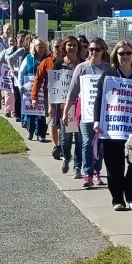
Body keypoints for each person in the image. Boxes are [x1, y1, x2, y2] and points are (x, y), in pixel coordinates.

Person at [93, 41, 132, 211]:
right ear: (115, 56)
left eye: (128, 53)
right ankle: (117, 198)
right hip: (113, 130)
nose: (125, 56)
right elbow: (99, 99)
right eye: (121, 53)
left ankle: (131, 196)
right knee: (114, 166)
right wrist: (96, 120)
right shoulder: (108, 75)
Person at [64, 37, 112, 188]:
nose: (93, 52)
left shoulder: (108, 69)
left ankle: (97, 172)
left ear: (103, 51)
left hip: (103, 114)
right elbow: (72, 92)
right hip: (85, 112)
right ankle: (87, 174)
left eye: (97, 49)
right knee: (86, 142)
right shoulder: (81, 68)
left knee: (100, 144)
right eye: (91, 49)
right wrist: (66, 112)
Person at [31, 38, 66, 158]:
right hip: (50, 97)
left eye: (61, 47)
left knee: (63, 122)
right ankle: (56, 146)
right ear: (52, 48)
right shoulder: (46, 62)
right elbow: (38, 79)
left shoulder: (68, 62)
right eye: (56, 47)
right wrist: (34, 97)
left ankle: (61, 144)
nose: (59, 49)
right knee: (52, 122)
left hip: (66, 97)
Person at [55, 36, 83, 177]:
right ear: (64, 47)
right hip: (64, 106)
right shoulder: (59, 64)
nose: (72, 48)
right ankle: (67, 157)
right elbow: (53, 86)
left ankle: (77, 166)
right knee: (66, 139)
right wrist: (51, 106)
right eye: (69, 45)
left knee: (79, 138)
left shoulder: (83, 65)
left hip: (80, 106)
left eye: (74, 45)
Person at [19, 38, 49, 141]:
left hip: (43, 89)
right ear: (34, 48)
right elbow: (21, 73)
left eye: (42, 47)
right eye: (38, 47)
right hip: (30, 88)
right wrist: (20, 85)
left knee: (42, 112)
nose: (40, 49)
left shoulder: (48, 59)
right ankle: (30, 131)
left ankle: (41, 134)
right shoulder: (28, 58)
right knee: (31, 111)